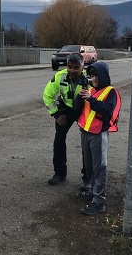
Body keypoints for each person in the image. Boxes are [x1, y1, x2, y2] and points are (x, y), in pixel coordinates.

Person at [73, 62, 121, 215]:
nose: (93, 78)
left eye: (96, 75)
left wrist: (91, 99)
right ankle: (93, 191)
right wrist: (80, 98)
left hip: (99, 134)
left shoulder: (111, 92)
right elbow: (76, 109)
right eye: (92, 75)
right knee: (89, 166)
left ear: (103, 76)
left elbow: (107, 110)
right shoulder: (90, 90)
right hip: (85, 132)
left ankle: (99, 202)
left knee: (99, 167)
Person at [43, 52, 88, 185]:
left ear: (82, 67)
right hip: (66, 109)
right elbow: (47, 95)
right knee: (59, 140)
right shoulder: (60, 76)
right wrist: (56, 115)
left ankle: (87, 177)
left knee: (88, 143)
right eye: (69, 67)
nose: (72, 70)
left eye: (76, 67)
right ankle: (59, 173)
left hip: (84, 109)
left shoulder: (89, 78)